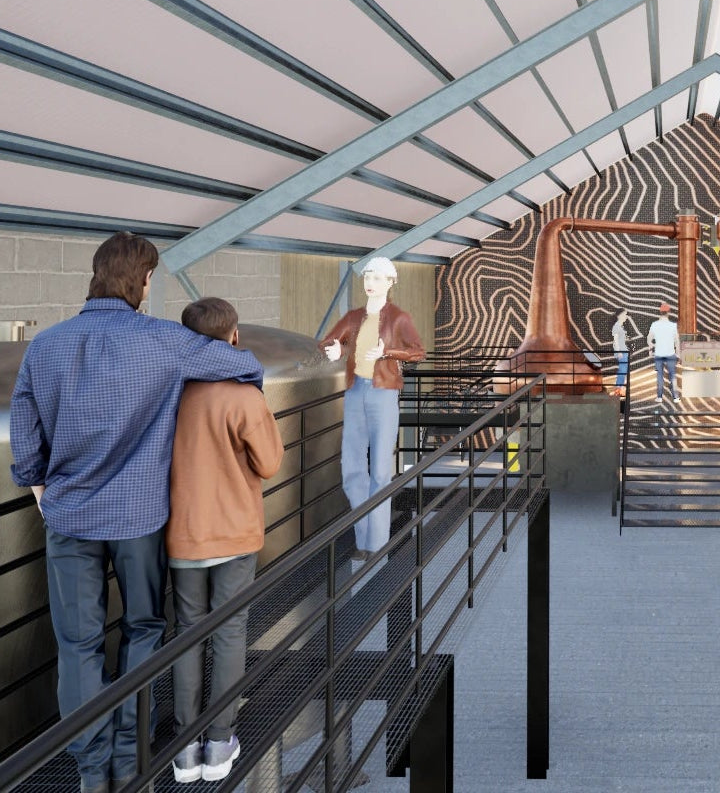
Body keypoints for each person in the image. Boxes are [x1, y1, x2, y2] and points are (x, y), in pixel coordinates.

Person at [8, 233, 263, 793]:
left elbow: (23, 430)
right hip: (139, 520)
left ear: (95, 275)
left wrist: (36, 484)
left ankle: (90, 770)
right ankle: (132, 760)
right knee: (142, 631)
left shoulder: (46, 346)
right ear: (144, 281)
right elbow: (242, 365)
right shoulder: (165, 342)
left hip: (69, 519)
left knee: (77, 647)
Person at [167, 298, 284, 784]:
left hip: (182, 534)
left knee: (187, 634)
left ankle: (185, 748)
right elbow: (270, 463)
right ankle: (220, 741)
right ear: (234, 336)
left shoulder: (170, 391)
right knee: (230, 630)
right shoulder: (244, 396)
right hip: (234, 533)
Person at [320, 257, 425, 561]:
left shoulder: (398, 317)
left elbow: (418, 351)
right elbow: (327, 341)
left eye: (378, 278)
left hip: (383, 393)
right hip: (355, 391)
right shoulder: (354, 317)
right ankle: (364, 538)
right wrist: (338, 349)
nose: (371, 282)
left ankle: (376, 544)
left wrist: (388, 352)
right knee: (352, 468)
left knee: (380, 470)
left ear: (391, 282)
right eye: (368, 276)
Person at [647, 302, 680, 406]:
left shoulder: (654, 325)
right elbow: (677, 341)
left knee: (660, 376)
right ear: (668, 313)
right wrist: (678, 354)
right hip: (670, 353)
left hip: (659, 354)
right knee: (672, 376)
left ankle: (659, 397)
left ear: (660, 312)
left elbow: (649, 339)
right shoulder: (673, 325)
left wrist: (651, 347)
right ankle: (676, 397)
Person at [611, 310, 632, 397]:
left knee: (623, 370)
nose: (626, 316)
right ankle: (619, 388)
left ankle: (619, 389)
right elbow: (615, 341)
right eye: (625, 314)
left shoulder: (620, 326)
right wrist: (618, 351)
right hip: (621, 351)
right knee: (622, 370)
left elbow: (620, 339)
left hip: (624, 350)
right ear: (619, 316)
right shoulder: (616, 326)